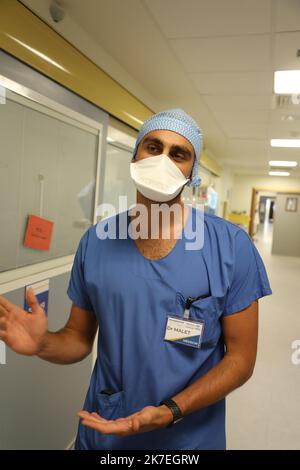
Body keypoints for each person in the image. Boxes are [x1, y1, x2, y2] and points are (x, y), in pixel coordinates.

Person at [0, 109, 272, 450]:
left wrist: (170, 411)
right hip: (106, 426)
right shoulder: (97, 242)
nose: (162, 161)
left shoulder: (230, 247)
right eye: (153, 147)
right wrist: (42, 344)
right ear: (135, 156)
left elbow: (240, 360)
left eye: (178, 154)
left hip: (187, 438)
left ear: (192, 174)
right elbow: (78, 339)